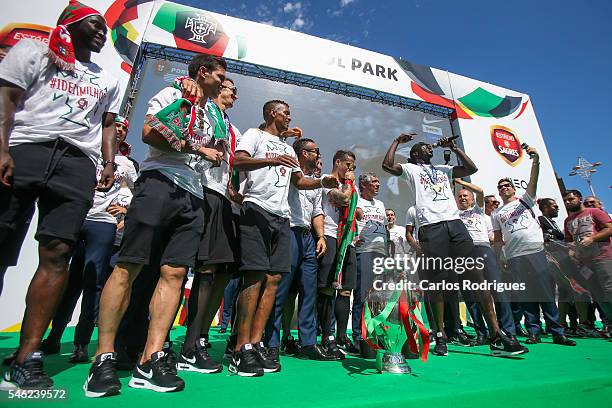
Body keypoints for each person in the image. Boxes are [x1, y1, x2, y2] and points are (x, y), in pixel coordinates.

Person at [84, 53, 226, 397]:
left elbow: (214, 151)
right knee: (128, 267)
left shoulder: (214, 115)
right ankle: (103, 357)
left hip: (193, 194)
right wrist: (197, 143)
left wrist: (208, 149)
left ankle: (151, 359)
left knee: (175, 274)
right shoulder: (173, 93)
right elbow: (149, 133)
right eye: (219, 75)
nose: (223, 82)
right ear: (202, 72)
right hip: (158, 183)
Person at [0, 1, 121, 389]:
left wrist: (107, 162)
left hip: (76, 163)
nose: (103, 32)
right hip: (26, 149)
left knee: (57, 254)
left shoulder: (109, 76)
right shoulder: (33, 51)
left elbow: (107, 124)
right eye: (95, 25)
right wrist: (1, 148)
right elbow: (7, 99)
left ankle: (28, 356)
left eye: (105, 27)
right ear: (70, 24)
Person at [382, 133, 525, 357]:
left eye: (431, 147)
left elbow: (471, 169)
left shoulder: (443, 169)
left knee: (477, 277)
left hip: (455, 226)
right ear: (416, 153)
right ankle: (440, 334)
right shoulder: (411, 169)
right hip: (431, 227)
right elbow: (387, 165)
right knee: (438, 283)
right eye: (425, 147)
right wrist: (397, 141)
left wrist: (455, 148)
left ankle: (496, 334)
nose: (430, 148)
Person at [230, 100, 338, 376]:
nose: (290, 116)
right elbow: (237, 160)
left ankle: (257, 344)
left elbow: (299, 182)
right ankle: (241, 348)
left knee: (274, 281)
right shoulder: (255, 135)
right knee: (254, 278)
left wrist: (324, 182)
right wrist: (272, 159)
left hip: (281, 216)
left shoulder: (288, 147)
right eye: (285, 112)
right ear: (270, 113)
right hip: (256, 207)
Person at [40, 116, 137, 363]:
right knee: (66, 281)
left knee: (93, 284)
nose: (120, 131)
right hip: (79, 216)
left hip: (103, 224)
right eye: (117, 127)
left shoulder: (126, 164)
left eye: (124, 129)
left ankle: (82, 344)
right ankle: (52, 337)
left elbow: (135, 195)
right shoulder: (91, 151)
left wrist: (125, 210)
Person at [178, 77, 242, 375]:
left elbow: (236, 162)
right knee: (185, 269)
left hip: (222, 199)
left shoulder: (233, 128)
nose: (234, 94)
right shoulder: (200, 110)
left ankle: (200, 338)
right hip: (195, 188)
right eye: (230, 87)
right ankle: (183, 345)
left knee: (220, 270)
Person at [491, 146, 575, 347]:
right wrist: (498, 259)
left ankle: (557, 331)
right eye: (500, 187)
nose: (503, 188)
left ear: (513, 188)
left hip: (536, 252)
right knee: (526, 294)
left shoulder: (525, 200)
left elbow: (533, 180)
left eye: (506, 185)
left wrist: (535, 160)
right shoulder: (496, 213)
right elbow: (497, 238)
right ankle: (533, 331)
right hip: (514, 257)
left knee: (545, 292)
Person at [264, 137, 337, 361]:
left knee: (309, 291)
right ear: (304, 154)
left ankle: (308, 344)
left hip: (308, 236)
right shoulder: (289, 175)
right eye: (315, 151)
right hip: (288, 231)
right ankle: (272, 343)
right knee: (281, 289)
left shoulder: (316, 182)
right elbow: (298, 183)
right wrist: (324, 181)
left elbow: (317, 212)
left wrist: (321, 236)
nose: (318, 155)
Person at [455, 178, 517, 345]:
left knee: (497, 290)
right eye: (459, 196)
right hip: (462, 254)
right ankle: (482, 333)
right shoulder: (453, 215)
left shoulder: (478, 210)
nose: (462, 198)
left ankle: (508, 331)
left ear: (472, 199)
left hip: (482, 249)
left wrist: (461, 182)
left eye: (465, 196)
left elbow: (480, 191)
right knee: (470, 294)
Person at [316, 150, 359, 360]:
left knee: (345, 290)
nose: (350, 170)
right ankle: (326, 336)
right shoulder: (328, 181)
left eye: (353, 167)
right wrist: (349, 186)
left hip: (348, 239)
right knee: (327, 287)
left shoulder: (350, 185)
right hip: (331, 235)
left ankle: (342, 336)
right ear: (338, 162)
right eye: (348, 165)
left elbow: (354, 209)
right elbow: (342, 199)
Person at [563, 190, 612, 328]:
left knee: (609, 290)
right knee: (598, 295)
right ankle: (609, 325)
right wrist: (572, 251)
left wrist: (592, 238)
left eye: (571, 199)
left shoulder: (595, 212)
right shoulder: (568, 221)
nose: (568, 202)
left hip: (603, 258)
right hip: (585, 263)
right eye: (566, 200)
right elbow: (569, 241)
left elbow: (610, 228)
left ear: (579, 199)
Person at [351, 172, 387, 353]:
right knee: (363, 296)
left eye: (378, 181)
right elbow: (349, 222)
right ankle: (359, 336)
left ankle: (376, 333)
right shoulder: (356, 201)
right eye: (374, 182)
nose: (378, 184)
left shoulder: (380, 204)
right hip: (364, 253)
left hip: (381, 254)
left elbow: (384, 229)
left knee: (379, 298)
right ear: (363, 185)